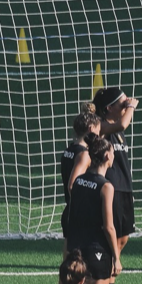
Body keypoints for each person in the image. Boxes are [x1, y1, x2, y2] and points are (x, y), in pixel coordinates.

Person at [67, 134, 121, 284]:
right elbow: (109, 226)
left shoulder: (78, 182)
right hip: (97, 253)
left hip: (76, 249)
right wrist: (116, 257)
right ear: (107, 156)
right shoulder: (106, 186)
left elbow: (72, 216)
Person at [92, 87, 139, 284]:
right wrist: (131, 107)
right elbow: (122, 123)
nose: (127, 104)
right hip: (111, 188)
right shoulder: (101, 126)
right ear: (109, 108)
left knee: (123, 238)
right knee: (108, 238)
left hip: (125, 188)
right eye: (121, 103)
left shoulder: (117, 132)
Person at [60, 103, 101, 257]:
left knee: (69, 247)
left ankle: (66, 278)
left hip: (69, 209)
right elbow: (73, 185)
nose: (99, 132)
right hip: (78, 211)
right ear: (91, 129)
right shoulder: (84, 155)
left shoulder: (68, 150)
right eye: (98, 129)